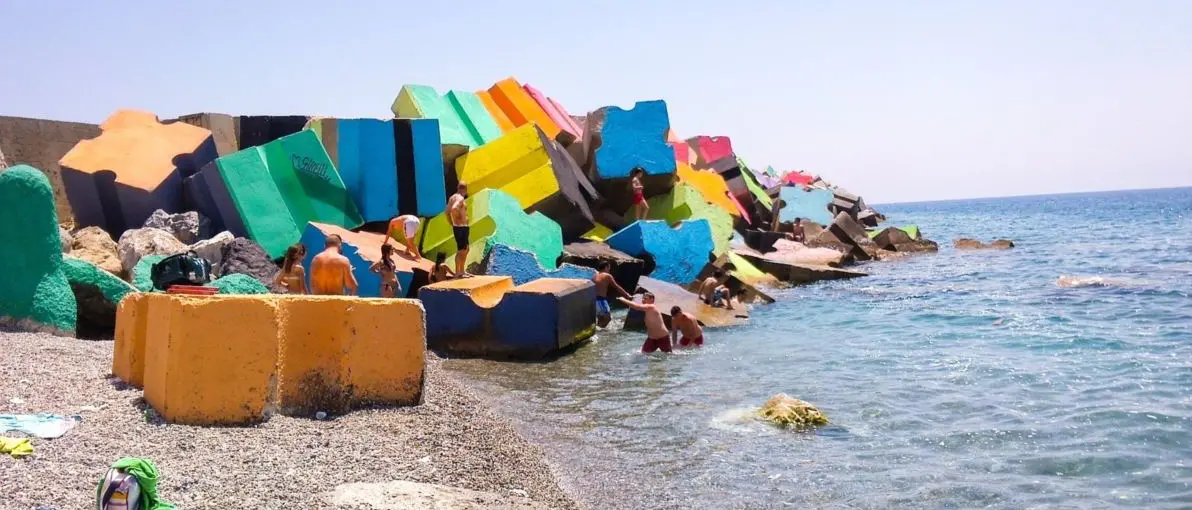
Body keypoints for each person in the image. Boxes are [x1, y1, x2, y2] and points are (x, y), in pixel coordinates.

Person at [592, 260, 631, 328]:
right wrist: (627, 295)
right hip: (600, 300)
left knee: (601, 319)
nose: (609, 269)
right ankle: (597, 331)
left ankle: (599, 331)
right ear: (606, 267)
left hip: (593, 300)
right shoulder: (607, 275)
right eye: (609, 267)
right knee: (608, 318)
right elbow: (616, 287)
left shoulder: (595, 275)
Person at [448, 182, 471, 278]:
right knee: (462, 250)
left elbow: (447, 212)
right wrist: (459, 219)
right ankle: (458, 272)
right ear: (465, 189)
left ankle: (462, 270)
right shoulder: (460, 198)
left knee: (466, 248)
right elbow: (454, 209)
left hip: (458, 227)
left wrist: (451, 222)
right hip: (461, 227)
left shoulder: (452, 198)